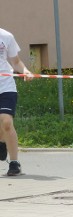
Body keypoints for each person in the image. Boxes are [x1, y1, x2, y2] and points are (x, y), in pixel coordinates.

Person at [0, 28, 34, 176]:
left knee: (6, 122)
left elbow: (16, 61)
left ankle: (14, 163)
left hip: (5, 85)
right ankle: (2, 141)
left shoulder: (6, 36)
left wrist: (25, 71)